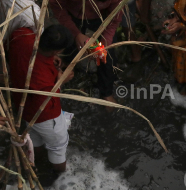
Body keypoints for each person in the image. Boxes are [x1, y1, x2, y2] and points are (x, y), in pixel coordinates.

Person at [9, 25, 74, 173]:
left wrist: (50, 57)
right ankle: (61, 176)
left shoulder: (22, 37)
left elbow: (19, 34)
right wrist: (61, 81)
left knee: (35, 138)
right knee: (58, 147)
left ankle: (38, 161)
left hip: (25, 109)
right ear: (57, 50)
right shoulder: (41, 76)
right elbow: (45, 98)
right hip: (45, 115)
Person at [50, 0, 123, 107]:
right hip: (73, 15)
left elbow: (113, 21)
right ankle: (67, 61)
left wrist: (103, 45)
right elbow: (56, 5)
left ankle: (106, 92)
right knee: (70, 42)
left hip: (101, 19)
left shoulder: (117, 1)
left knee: (107, 56)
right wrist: (76, 34)